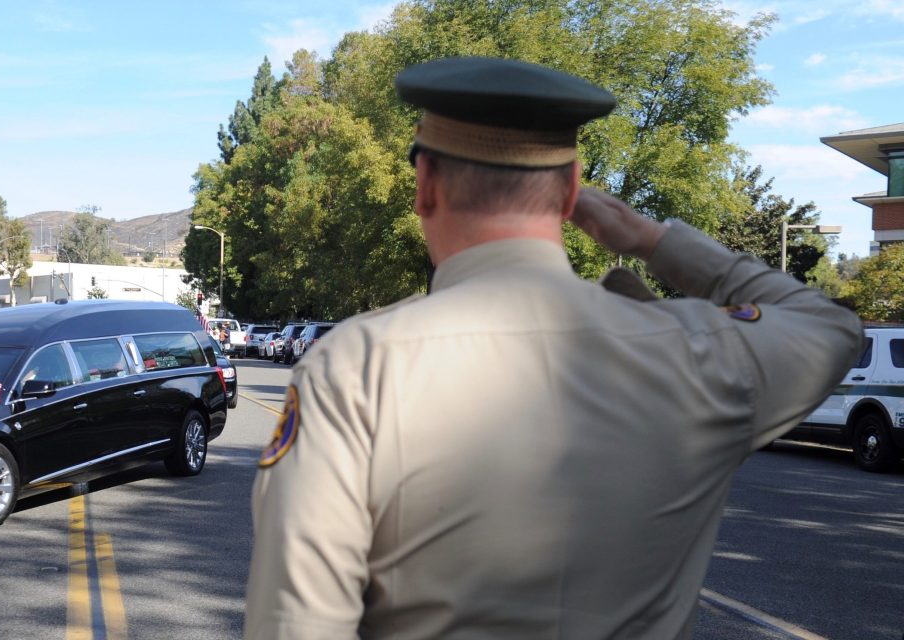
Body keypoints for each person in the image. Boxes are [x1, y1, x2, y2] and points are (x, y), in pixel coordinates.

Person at [244, 57, 862, 639]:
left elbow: (297, 624)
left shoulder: (355, 366)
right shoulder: (698, 351)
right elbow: (829, 327)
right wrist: (651, 239)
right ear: (571, 193)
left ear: (424, 185)